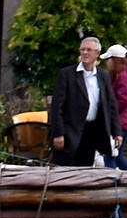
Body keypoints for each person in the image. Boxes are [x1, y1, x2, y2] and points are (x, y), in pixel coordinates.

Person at [48, 37, 114, 166]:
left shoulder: (103, 76)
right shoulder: (66, 74)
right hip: (69, 131)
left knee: (85, 170)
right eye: (82, 49)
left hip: (91, 131)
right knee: (64, 170)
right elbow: (57, 107)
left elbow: (110, 105)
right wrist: (58, 133)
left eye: (89, 50)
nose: (85, 53)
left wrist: (116, 132)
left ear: (97, 53)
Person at [102, 45, 127, 169]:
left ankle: (112, 181)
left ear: (114, 60)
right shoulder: (120, 75)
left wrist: (109, 113)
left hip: (120, 122)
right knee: (115, 156)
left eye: (108, 59)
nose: (106, 63)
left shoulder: (122, 76)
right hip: (124, 121)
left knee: (111, 155)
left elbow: (124, 100)